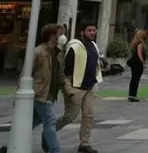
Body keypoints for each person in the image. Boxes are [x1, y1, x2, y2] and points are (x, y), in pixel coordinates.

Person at [0, 24, 65, 153]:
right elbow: (25, 73)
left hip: (49, 94)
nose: (62, 36)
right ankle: (55, 150)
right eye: (60, 33)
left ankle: (11, 146)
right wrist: (19, 94)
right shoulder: (38, 52)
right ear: (52, 36)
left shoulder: (56, 53)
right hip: (40, 93)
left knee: (32, 121)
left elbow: (58, 73)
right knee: (50, 120)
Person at [57, 23, 102, 153]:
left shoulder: (94, 45)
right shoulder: (74, 46)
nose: (92, 32)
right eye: (89, 30)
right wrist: (68, 87)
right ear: (82, 32)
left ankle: (84, 144)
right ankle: (49, 132)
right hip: (76, 86)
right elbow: (65, 70)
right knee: (70, 116)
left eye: (94, 30)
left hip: (91, 85)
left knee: (88, 115)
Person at [127, 29, 147, 102]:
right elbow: (139, 53)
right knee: (136, 80)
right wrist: (143, 62)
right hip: (138, 64)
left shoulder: (134, 43)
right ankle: (133, 96)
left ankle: (131, 95)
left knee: (133, 79)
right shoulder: (140, 43)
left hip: (134, 64)